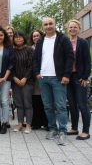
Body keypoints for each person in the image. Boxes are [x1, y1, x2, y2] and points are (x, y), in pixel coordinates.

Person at [33, 17, 74, 145]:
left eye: (51, 23)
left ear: (55, 25)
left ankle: (62, 131)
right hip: (44, 78)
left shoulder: (63, 39)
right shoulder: (40, 41)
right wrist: (37, 73)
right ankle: (52, 128)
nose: (48, 26)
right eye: (46, 24)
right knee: (48, 106)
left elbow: (69, 57)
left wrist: (66, 75)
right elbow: (35, 59)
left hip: (58, 78)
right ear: (43, 26)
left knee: (61, 106)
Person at [66, 20, 91, 140]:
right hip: (68, 77)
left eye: (75, 27)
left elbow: (88, 61)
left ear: (79, 28)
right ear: (68, 29)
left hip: (80, 77)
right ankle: (74, 128)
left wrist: (85, 77)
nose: (72, 29)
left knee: (82, 104)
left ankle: (86, 131)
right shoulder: (66, 42)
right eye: (71, 27)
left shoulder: (83, 42)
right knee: (72, 104)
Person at [11, 32, 34, 133]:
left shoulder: (29, 50)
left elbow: (31, 66)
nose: (18, 39)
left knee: (27, 103)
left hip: (27, 81)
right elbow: (10, 66)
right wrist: (14, 78)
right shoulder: (11, 51)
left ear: (24, 38)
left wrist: (25, 78)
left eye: (20, 37)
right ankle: (20, 123)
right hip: (15, 80)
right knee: (19, 103)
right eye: (16, 38)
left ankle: (28, 125)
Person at [29, 30, 48, 130]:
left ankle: (46, 122)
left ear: (41, 36)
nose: (36, 37)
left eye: (37, 35)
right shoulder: (30, 49)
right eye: (34, 36)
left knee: (45, 101)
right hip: (34, 78)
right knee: (35, 101)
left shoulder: (46, 47)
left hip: (45, 76)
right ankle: (36, 122)